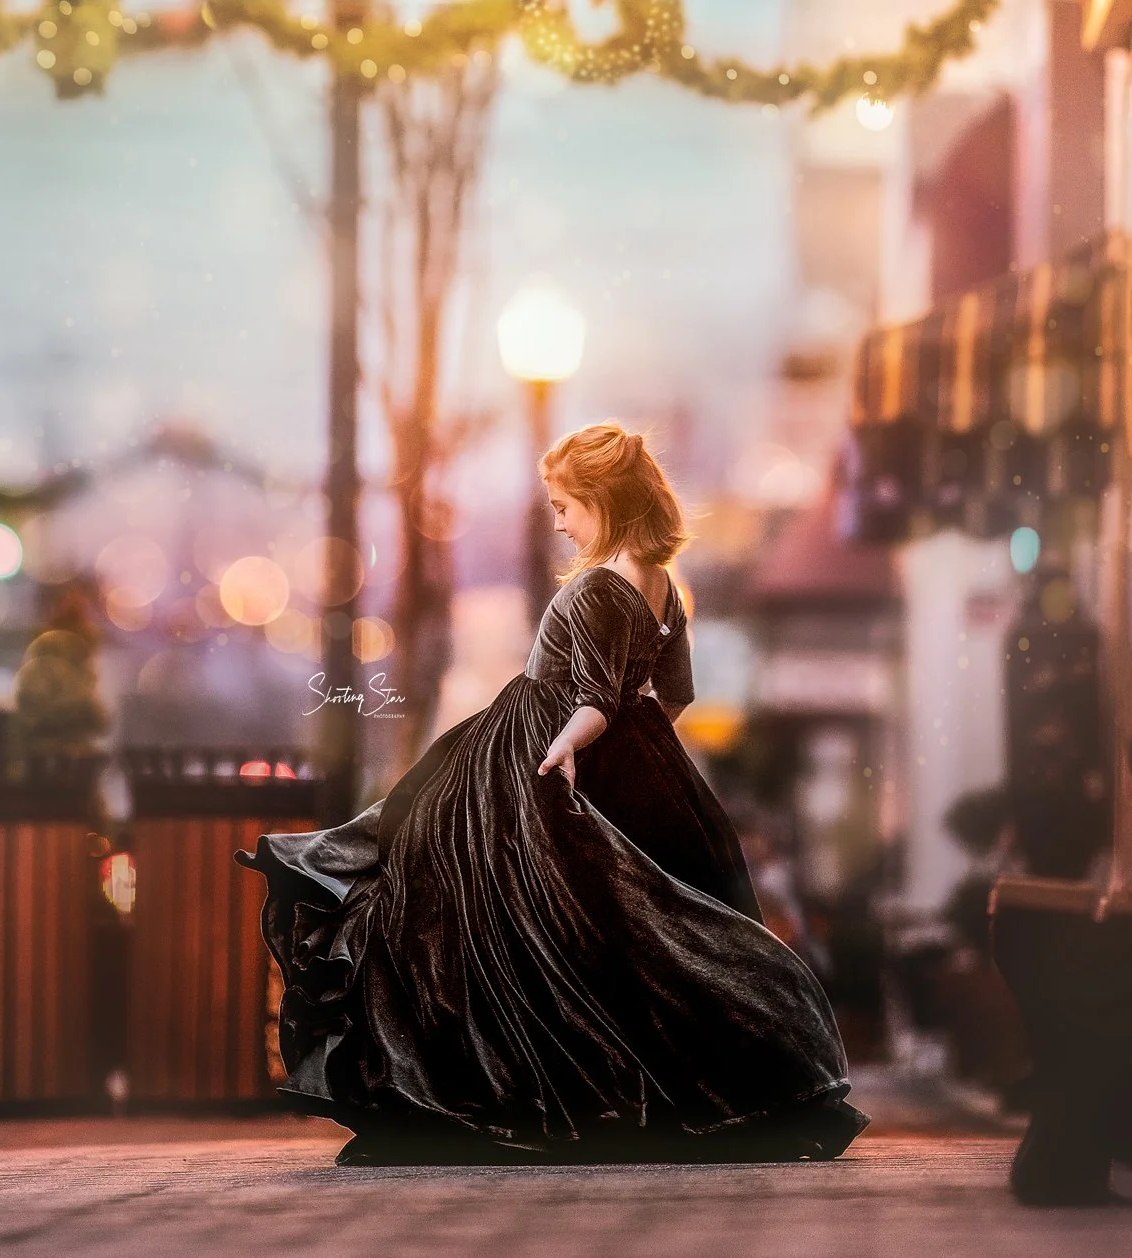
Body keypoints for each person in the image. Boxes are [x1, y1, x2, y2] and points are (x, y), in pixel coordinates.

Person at [236, 422, 868, 1166]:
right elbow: (671, 695)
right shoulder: (663, 586)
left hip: (532, 759)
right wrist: (630, 755)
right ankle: (660, 1095)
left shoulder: (600, 586)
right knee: (623, 939)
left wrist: (567, 748)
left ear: (605, 502)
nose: (559, 521)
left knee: (454, 911)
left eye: (565, 506)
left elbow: (594, 695)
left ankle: (462, 1092)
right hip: (623, 757)